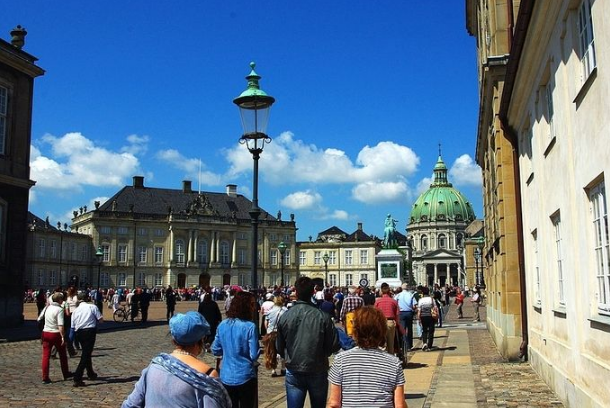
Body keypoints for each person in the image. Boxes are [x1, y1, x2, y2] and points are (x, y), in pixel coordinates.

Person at [122, 311, 230, 408]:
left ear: (174, 339)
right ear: (201, 339)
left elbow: (130, 404)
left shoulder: (154, 367)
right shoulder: (206, 376)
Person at [276, 276, 340, 408]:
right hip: (317, 367)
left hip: (294, 368)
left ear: (296, 293)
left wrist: (288, 355)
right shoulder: (323, 316)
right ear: (313, 292)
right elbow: (333, 344)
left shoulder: (286, 316)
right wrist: (323, 354)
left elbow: (279, 346)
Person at [327, 306, 407, 408]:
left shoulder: (341, 360)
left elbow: (334, 403)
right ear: (382, 331)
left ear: (356, 330)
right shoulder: (394, 363)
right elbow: (400, 405)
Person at [211, 291, 260, 408]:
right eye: (252, 304)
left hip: (226, 375)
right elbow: (253, 355)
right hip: (245, 375)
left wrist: (227, 349)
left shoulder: (223, 324)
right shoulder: (250, 326)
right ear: (246, 307)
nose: (254, 307)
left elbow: (215, 349)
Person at [38, 292, 72, 383]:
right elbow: (60, 325)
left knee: (46, 356)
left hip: (46, 332)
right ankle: (65, 373)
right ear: (59, 300)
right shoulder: (59, 309)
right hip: (55, 333)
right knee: (62, 355)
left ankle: (45, 377)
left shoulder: (47, 308)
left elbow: (39, 318)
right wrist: (63, 336)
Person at [71, 293, 103, 387]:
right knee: (86, 354)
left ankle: (90, 373)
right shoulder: (92, 307)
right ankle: (77, 376)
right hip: (89, 331)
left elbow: (73, 326)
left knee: (86, 352)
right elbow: (100, 319)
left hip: (79, 333)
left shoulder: (76, 310)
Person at [374, 282, 400, 355]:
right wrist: (397, 323)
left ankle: (382, 358)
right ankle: (391, 357)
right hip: (390, 322)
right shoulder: (394, 301)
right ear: (389, 291)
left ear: (381, 291)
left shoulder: (377, 302)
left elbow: (375, 314)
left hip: (380, 323)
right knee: (391, 342)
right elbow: (397, 314)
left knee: (382, 343)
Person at [396, 283, 418, 352]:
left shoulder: (398, 295)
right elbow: (414, 305)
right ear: (407, 288)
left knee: (403, 330)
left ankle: (403, 345)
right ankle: (409, 345)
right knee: (409, 329)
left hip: (401, 313)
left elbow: (395, 303)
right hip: (409, 312)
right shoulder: (410, 295)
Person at [417, 287, 439, 351]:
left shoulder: (421, 300)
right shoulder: (431, 299)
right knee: (431, 331)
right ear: (428, 292)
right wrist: (437, 317)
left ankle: (424, 343)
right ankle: (429, 346)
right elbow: (435, 308)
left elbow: (419, 310)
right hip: (431, 316)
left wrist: (419, 319)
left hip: (423, 316)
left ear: (423, 293)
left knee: (424, 330)